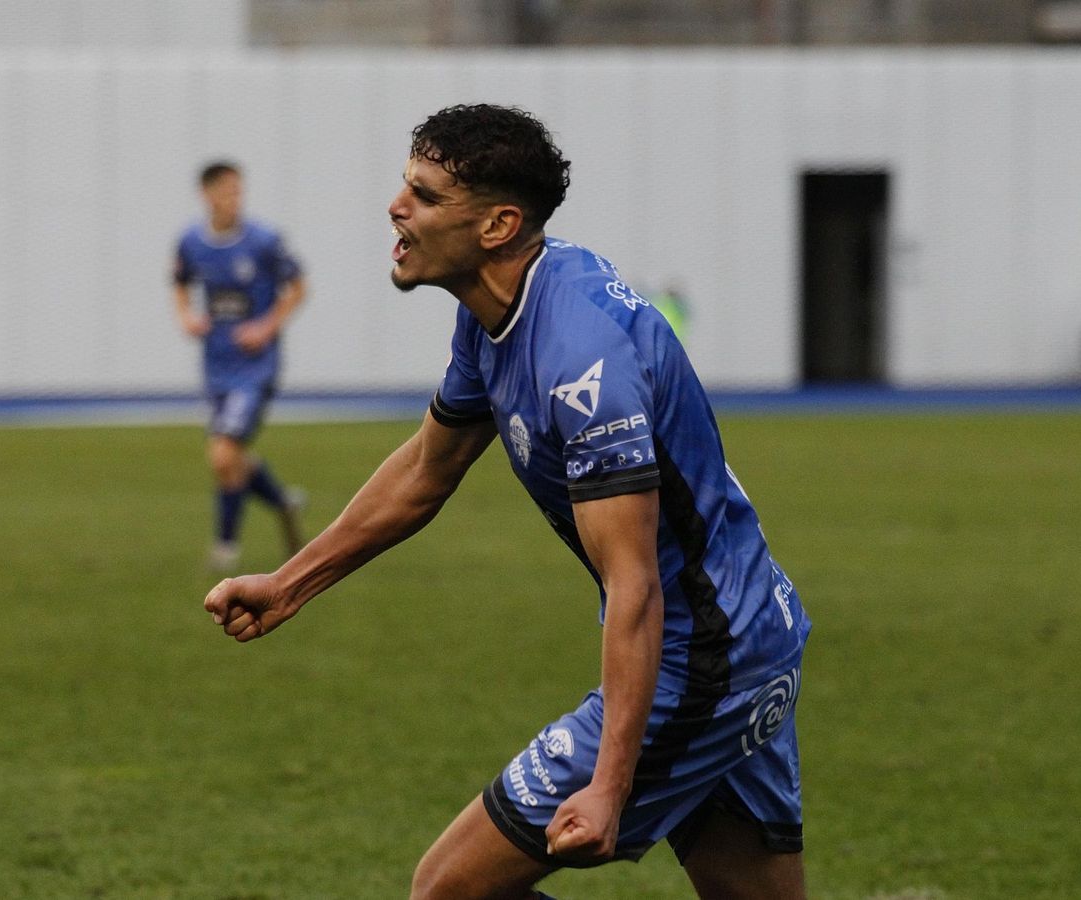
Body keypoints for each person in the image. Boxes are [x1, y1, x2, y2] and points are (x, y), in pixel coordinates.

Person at [203, 105, 811, 900]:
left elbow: (635, 586)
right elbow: (427, 469)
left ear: (497, 225)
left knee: (448, 892)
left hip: (704, 661)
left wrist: (609, 783)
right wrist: (290, 583)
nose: (397, 206)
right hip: (750, 632)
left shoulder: (579, 362)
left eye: (423, 195)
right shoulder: (496, 311)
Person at [174, 160, 308, 572]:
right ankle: (282, 502)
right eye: (227, 191)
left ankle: (226, 547)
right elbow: (181, 284)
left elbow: (298, 287)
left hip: (255, 366)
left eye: (239, 191)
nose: (235, 199)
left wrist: (267, 327)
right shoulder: (191, 243)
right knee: (231, 459)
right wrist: (187, 317)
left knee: (222, 453)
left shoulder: (264, 241)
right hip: (216, 363)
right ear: (207, 195)